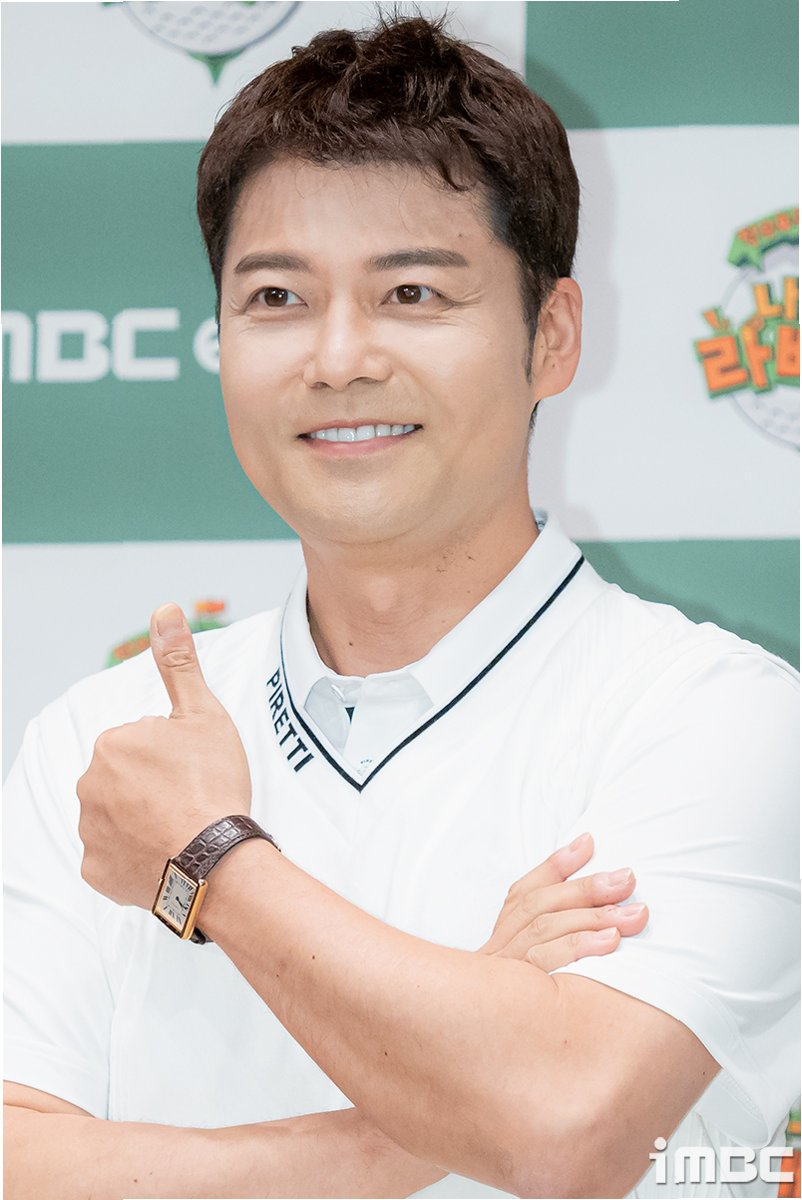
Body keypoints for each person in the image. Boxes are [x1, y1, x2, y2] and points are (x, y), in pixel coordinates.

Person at [4, 14, 798, 1200]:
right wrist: (430, 1114)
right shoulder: (108, 743)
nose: (337, 358)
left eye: (411, 291)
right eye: (277, 296)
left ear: (552, 337)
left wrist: (209, 859)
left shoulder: (716, 719)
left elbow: (566, 1129)